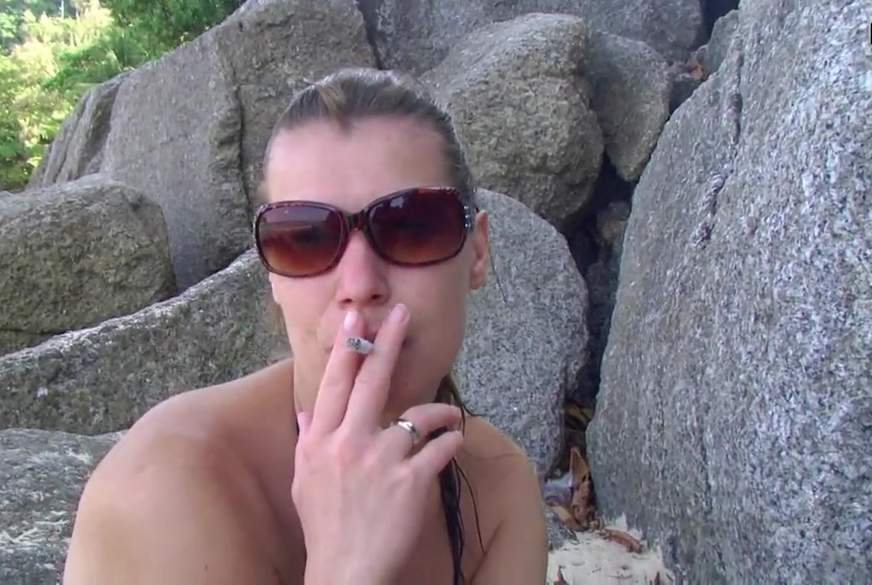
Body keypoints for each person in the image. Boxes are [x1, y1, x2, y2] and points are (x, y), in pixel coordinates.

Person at [62, 67, 547, 584]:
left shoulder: (499, 487)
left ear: (477, 252)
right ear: (270, 272)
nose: (359, 284)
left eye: (411, 226)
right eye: (305, 238)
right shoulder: (167, 483)